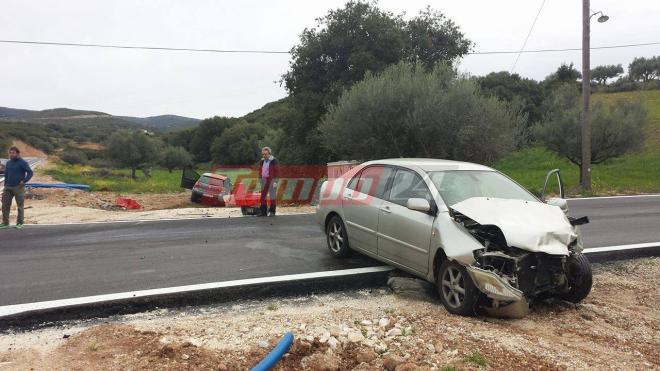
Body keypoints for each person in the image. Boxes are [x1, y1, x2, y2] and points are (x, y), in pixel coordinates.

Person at [1, 146, 33, 229]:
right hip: (8, 187)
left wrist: (24, 181)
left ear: (17, 153)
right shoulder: (8, 163)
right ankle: (5, 223)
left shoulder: (22, 162)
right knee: (5, 205)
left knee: (20, 206)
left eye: (13, 153)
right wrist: (5, 186)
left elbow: (30, 173)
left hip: (18, 187)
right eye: (10, 153)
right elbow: (6, 175)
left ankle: (20, 223)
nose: (11, 154)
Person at [258, 146, 278, 216]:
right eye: (263, 154)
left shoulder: (274, 161)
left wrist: (276, 181)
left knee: (272, 196)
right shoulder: (262, 161)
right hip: (263, 180)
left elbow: (277, 172)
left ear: (269, 153)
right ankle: (263, 212)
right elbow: (260, 171)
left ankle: (272, 212)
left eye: (265, 154)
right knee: (263, 196)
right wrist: (260, 179)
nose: (264, 156)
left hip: (271, 180)